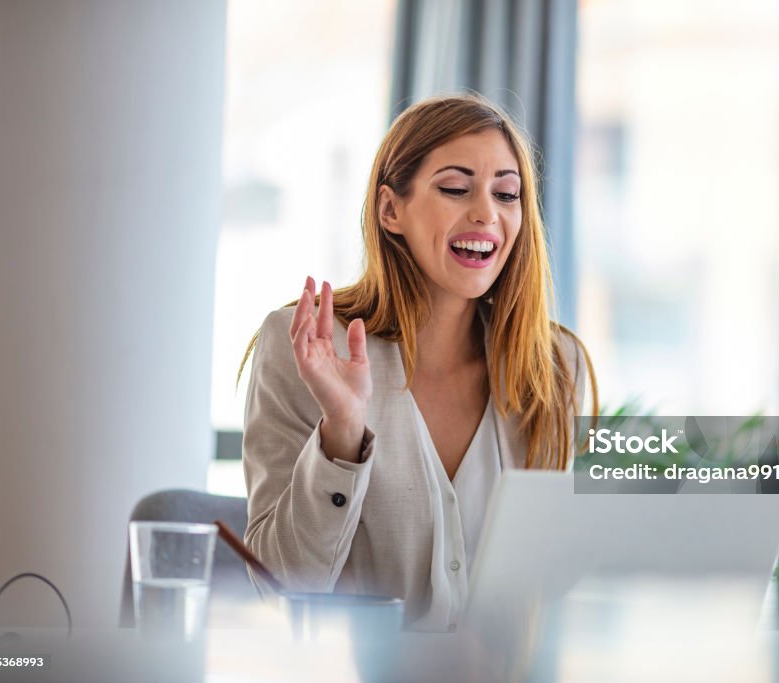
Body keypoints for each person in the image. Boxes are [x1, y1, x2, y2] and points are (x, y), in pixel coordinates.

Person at [237, 93, 598, 631]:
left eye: (507, 193)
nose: (486, 213)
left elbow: (561, 587)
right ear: (390, 210)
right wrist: (341, 431)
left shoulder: (555, 365)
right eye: (455, 188)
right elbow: (281, 584)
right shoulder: (308, 349)